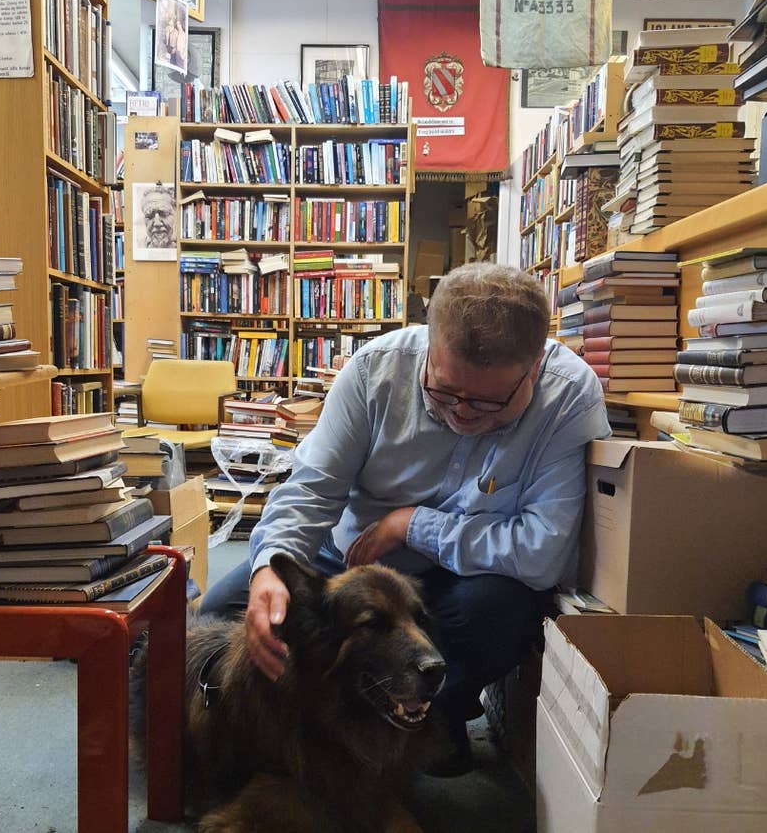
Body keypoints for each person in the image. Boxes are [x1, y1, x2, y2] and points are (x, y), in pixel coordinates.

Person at [201, 262, 610, 774]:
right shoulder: (376, 370)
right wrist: (268, 565)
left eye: (488, 402)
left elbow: (543, 551)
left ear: (533, 371)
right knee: (224, 610)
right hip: (349, 560)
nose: (462, 413)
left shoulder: (569, 395)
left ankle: (434, 718)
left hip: (465, 580)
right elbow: (312, 488)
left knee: (501, 612)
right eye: (443, 390)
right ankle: (321, 727)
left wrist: (412, 524)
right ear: (430, 347)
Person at [139, 182, 176, 249]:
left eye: (164, 213)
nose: (157, 223)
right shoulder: (139, 247)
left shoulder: (183, 245)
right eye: (149, 215)